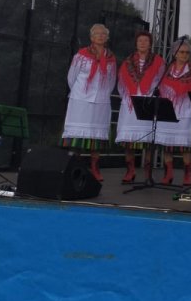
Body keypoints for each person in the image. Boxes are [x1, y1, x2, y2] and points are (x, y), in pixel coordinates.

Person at [61, 23, 117, 182]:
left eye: (103, 34)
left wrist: (103, 94)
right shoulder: (81, 55)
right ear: (91, 37)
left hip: (101, 101)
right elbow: (72, 77)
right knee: (78, 136)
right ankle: (75, 167)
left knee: (96, 137)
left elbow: (112, 80)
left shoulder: (111, 58)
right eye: (97, 34)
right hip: (80, 100)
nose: (100, 36)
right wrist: (80, 92)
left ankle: (95, 167)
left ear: (107, 37)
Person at [116, 30, 166, 184]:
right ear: (136, 44)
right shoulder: (127, 62)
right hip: (130, 104)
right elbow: (121, 84)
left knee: (148, 140)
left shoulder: (158, 61)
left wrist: (152, 97)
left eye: (146, 41)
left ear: (150, 44)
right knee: (128, 140)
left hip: (148, 102)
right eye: (140, 41)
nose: (143, 43)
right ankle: (130, 170)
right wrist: (128, 98)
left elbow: (162, 82)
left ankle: (147, 172)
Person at [155, 39, 191, 187]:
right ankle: (168, 173)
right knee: (167, 144)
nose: (184, 55)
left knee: (185, 146)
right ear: (175, 53)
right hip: (168, 110)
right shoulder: (166, 70)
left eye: (187, 53)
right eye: (181, 52)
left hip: (185, 111)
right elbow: (159, 87)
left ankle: (187, 174)